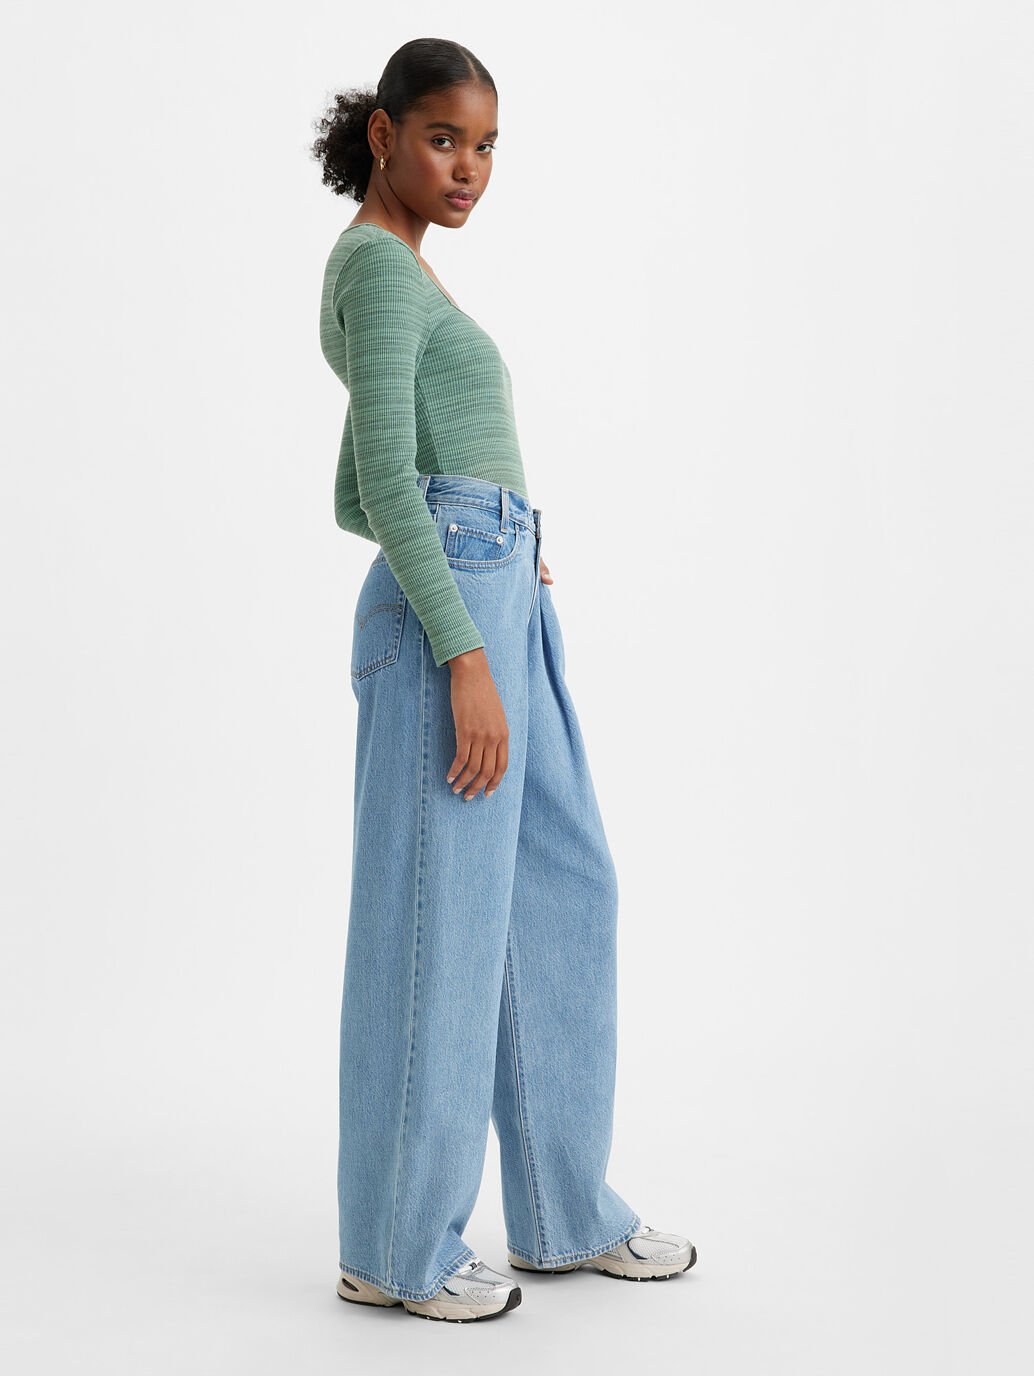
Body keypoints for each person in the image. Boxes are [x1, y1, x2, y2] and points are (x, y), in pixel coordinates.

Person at [311, 37, 696, 1323]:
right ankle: (395, 1249)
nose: (467, 168)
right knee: (439, 927)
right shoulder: (375, 265)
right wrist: (462, 639)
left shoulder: (410, 273)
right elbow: (380, 478)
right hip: (455, 625)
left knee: (561, 889)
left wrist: (500, 539)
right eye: (442, 140)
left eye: (484, 147)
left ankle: (562, 1209)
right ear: (383, 135)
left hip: (494, 587)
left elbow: (356, 489)